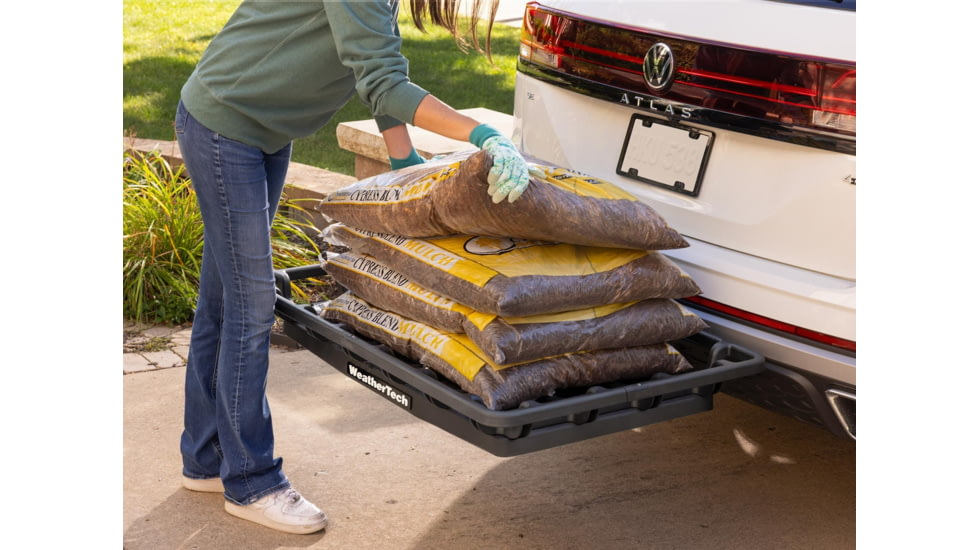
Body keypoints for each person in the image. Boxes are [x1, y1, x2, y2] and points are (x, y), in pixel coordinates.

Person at [174, 0, 531, 536]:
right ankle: (251, 481)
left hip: (256, 128)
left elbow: (378, 69)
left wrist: (403, 159)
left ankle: (205, 458)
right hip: (227, 128)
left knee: (224, 302)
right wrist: (482, 134)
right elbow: (385, 83)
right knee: (250, 307)